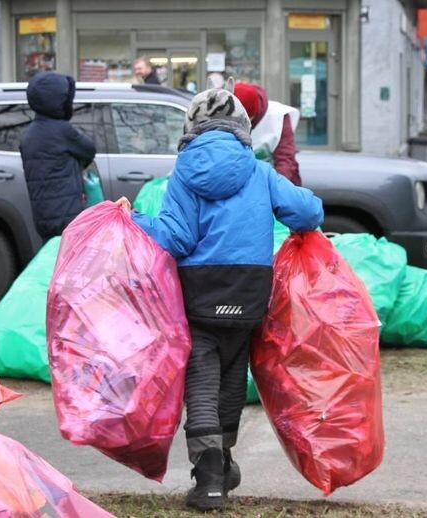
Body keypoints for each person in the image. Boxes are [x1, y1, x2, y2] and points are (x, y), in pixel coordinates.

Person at [117, 80, 323, 511]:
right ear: (242, 127)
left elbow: (174, 238)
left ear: (192, 126)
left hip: (200, 292)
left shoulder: (183, 177)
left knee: (201, 379)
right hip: (250, 293)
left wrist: (134, 219)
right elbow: (306, 212)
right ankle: (224, 463)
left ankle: (209, 476)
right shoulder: (260, 172)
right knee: (233, 372)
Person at [20, 72, 97, 241]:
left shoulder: (29, 134)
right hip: (67, 215)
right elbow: (89, 149)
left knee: (54, 258)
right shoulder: (62, 131)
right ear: (59, 101)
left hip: (43, 216)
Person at [233, 82, 302, 186]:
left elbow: (285, 159)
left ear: (254, 114)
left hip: (275, 179)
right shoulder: (223, 115)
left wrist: (274, 188)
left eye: (245, 121)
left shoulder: (278, 117)